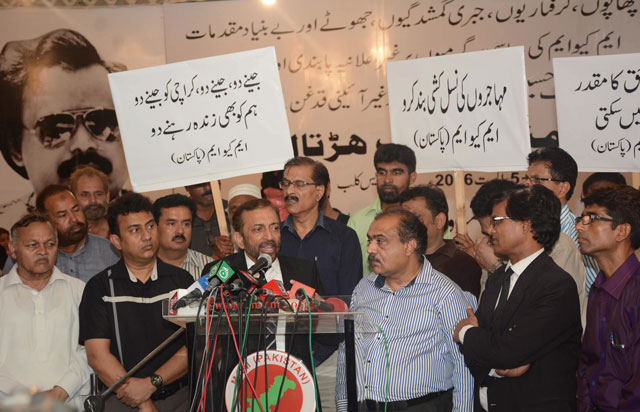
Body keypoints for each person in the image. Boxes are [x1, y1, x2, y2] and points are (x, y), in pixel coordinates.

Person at [454, 186, 582, 412]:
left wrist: (466, 332)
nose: (491, 230)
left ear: (527, 225)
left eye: (498, 221)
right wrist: (495, 359)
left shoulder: (556, 285)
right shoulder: (498, 278)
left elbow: (507, 350)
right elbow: (484, 352)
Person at [336, 208, 474, 412]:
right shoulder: (364, 287)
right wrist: (343, 406)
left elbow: (464, 367)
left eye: (380, 241)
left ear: (410, 246)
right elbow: (347, 352)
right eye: (370, 240)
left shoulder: (445, 294)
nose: (370, 249)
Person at [79, 193, 193, 412]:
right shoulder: (100, 287)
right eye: (134, 230)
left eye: (150, 226)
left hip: (180, 398)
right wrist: (142, 400)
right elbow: (97, 355)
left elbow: (192, 347)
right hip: (122, 400)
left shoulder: (182, 281)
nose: (146, 236)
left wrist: (152, 383)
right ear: (116, 241)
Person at [0, 29, 129, 217]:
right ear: (16, 148)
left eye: (103, 123)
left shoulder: (154, 222)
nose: (83, 145)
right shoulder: (5, 228)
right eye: (56, 129)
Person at [0, 214, 90, 410]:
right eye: (32, 245)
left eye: (50, 244)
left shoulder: (79, 291)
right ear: (13, 250)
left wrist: (60, 391)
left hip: (69, 402)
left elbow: (89, 351)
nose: (43, 251)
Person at [576, 186, 640, 412]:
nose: (579, 226)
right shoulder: (598, 288)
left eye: (591, 219)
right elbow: (587, 362)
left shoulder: (636, 292)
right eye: (581, 218)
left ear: (621, 231)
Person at [279, 156, 361, 297]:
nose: (289, 191)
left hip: (330, 318)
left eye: (299, 184)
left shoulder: (344, 237)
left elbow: (351, 300)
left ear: (319, 192)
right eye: (286, 184)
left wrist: (323, 307)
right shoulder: (274, 236)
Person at [4, 184, 120, 281]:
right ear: (46, 220)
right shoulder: (22, 258)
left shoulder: (110, 251)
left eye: (76, 209)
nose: (74, 219)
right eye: (62, 215)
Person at [524, 147, 599, 294]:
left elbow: (592, 292)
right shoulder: (522, 229)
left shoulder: (579, 234)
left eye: (537, 180)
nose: (527, 184)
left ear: (563, 188)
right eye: (527, 178)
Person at [348, 143, 417, 276]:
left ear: (412, 177)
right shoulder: (357, 221)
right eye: (382, 172)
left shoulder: (423, 218)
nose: (387, 179)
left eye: (396, 173)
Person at [402, 184, 482, 298]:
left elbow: (465, 313)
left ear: (439, 221)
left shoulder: (463, 264)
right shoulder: (398, 259)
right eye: (403, 219)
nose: (407, 225)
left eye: (416, 218)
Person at [153, 193, 212, 280]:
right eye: (171, 224)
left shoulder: (209, 267)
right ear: (155, 226)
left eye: (186, 224)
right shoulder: (142, 268)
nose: (180, 231)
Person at [185, 182, 234, 259]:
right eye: (200, 184)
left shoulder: (231, 211)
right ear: (187, 187)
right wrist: (215, 256)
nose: (208, 188)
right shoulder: (180, 218)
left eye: (212, 183)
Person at [70, 166, 111, 238]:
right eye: (85, 195)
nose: (93, 200)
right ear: (73, 198)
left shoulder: (120, 230)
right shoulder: (67, 236)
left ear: (107, 197)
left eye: (98, 194)